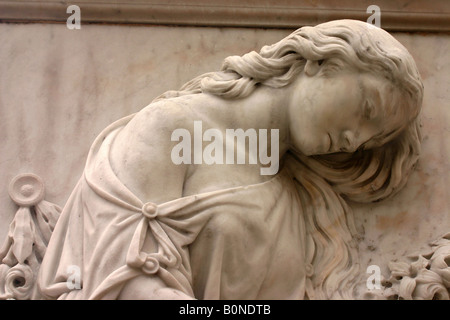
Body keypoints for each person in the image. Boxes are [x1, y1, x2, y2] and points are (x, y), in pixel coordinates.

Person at [38, 19, 423, 300]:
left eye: (369, 141)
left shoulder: (298, 197)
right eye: (366, 109)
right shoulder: (171, 128)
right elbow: (118, 277)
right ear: (319, 63)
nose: (352, 140)